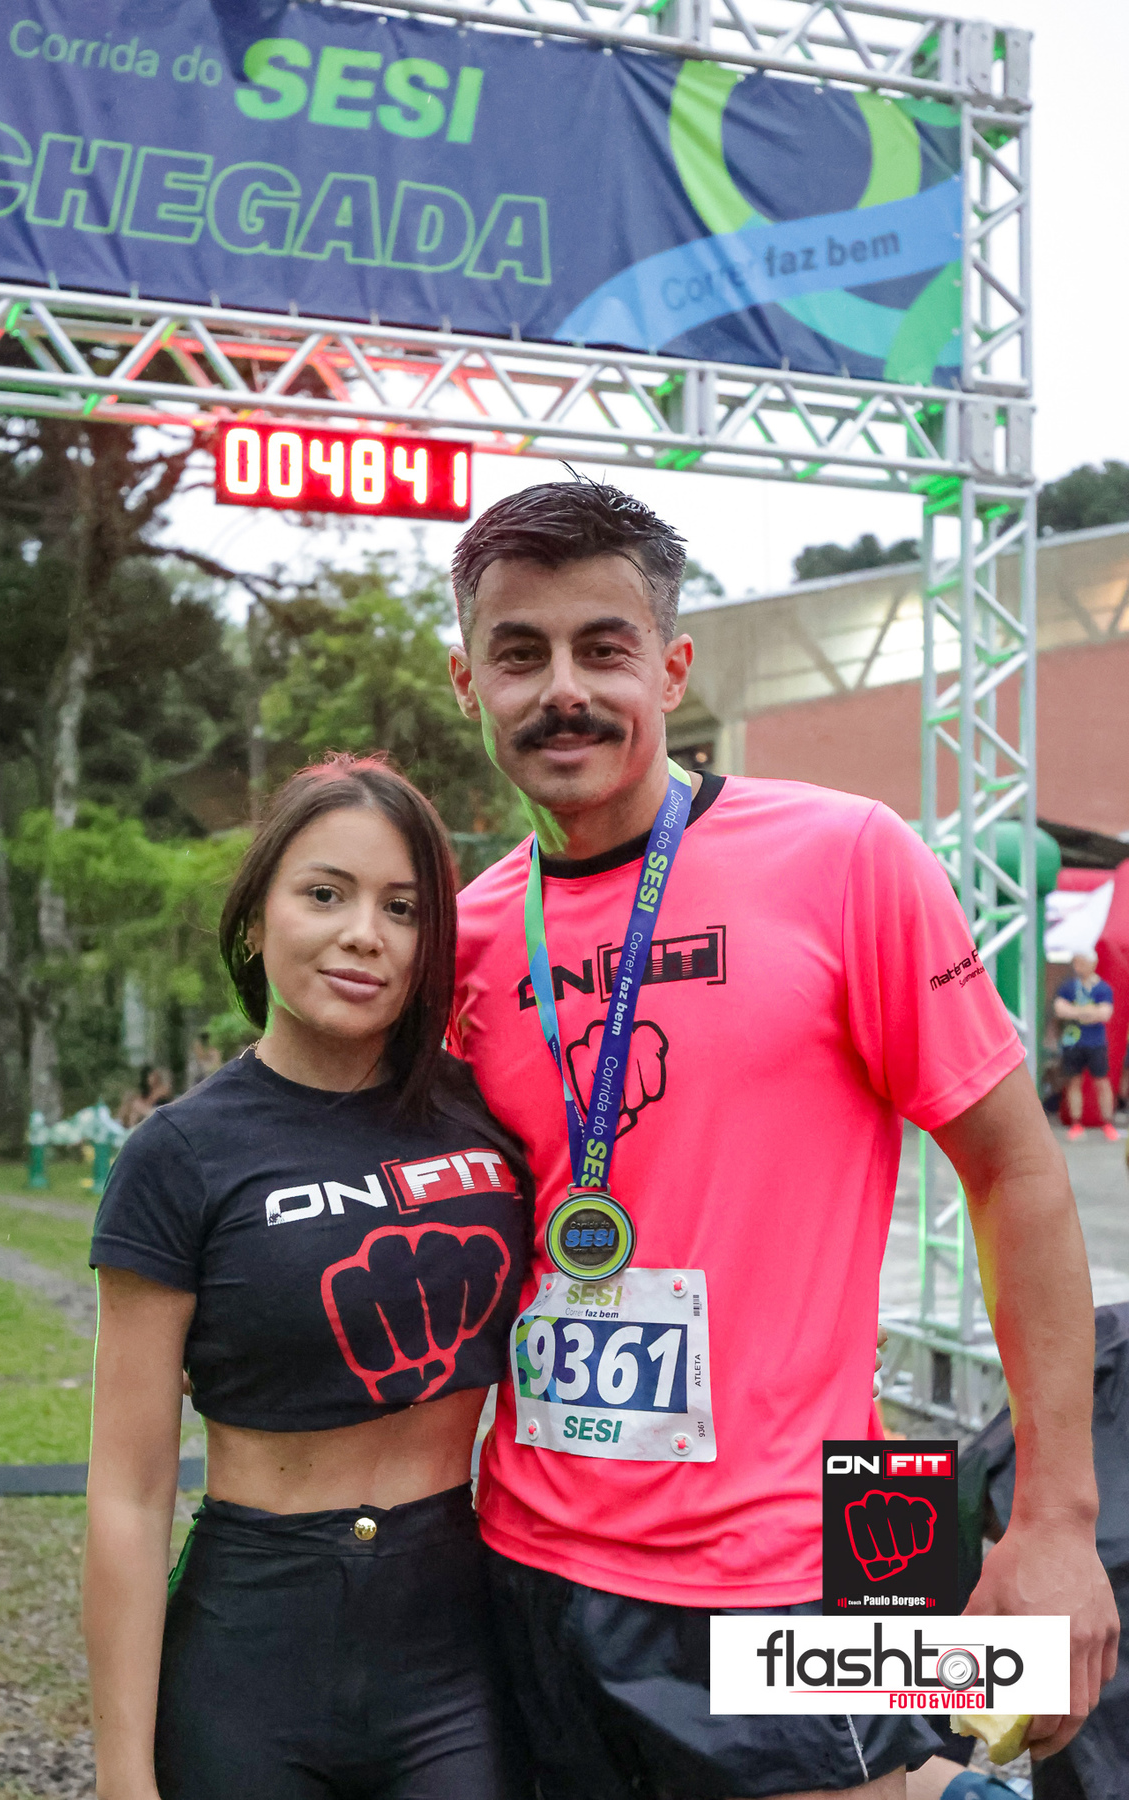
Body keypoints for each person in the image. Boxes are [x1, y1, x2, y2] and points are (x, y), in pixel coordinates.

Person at [446, 481, 1118, 1800]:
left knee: (949, 1768)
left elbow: (1015, 1171)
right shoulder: (467, 935)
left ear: (673, 668)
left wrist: (1054, 1519)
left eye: (603, 648)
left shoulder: (847, 856)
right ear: (469, 681)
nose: (562, 690)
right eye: (520, 654)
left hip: (823, 1545)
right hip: (530, 1555)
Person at [83, 757, 532, 1800]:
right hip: (251, 1647)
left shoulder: (486, 1116)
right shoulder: (178, 1155)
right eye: (325, 894)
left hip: (455, 1642)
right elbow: (130, 1493)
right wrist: (121, 1775)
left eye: (403, 908)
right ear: (255, 921)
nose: (364, 933)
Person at [1054, 952, 1120, 1143]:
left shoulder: (1103, 988)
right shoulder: (1068, 987)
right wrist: (1088, 1012)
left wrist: (1074, 1012)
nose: (1077, 967)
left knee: (1102, 1082)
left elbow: (1105, 1014)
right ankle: (1076, 1123)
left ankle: (1107, 1123)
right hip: (1073, 1042)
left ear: (1092, 964)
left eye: (1081, 963)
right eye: (1075, 963)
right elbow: (1060, 1009)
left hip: (1096, 1043)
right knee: (1074, 1082)